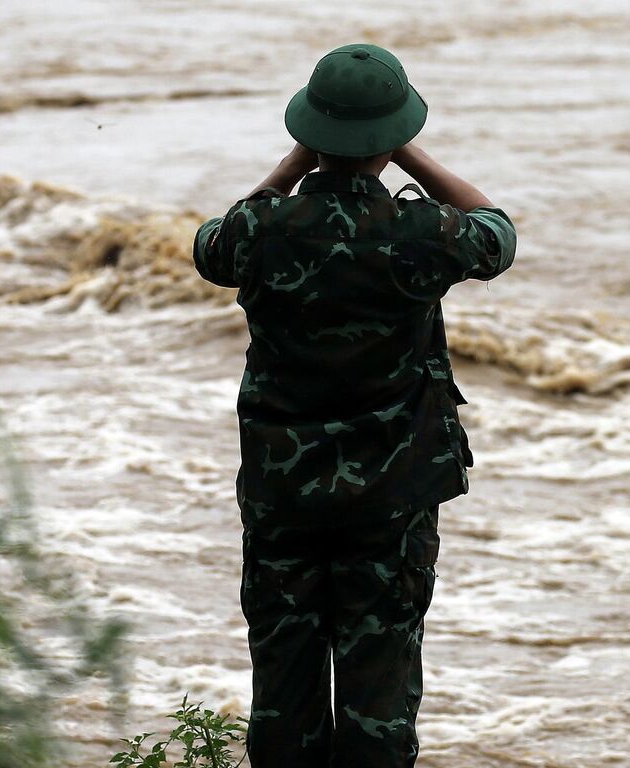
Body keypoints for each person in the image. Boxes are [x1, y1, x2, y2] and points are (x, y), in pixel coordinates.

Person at [191, 42, 517, 768]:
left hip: (283, 496)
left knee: (284, 687)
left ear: (311, 131)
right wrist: (411, 158)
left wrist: (290, 165)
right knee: (379, 693)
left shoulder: (259, 231)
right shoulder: (419, 234)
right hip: (390, 502)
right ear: (388, 136)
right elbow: (497, 234)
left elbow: (210, 249)